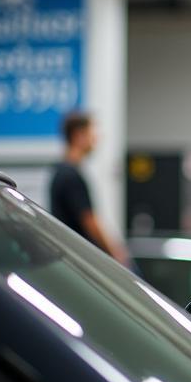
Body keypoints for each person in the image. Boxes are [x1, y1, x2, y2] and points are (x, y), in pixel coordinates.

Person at [49, 111, 130, 266]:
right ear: (79, 135)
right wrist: (116, 254)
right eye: (92, 132)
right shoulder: (70, 175)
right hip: (77, 260)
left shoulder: (61, 171)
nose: (96, 139)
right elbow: (89, 220)